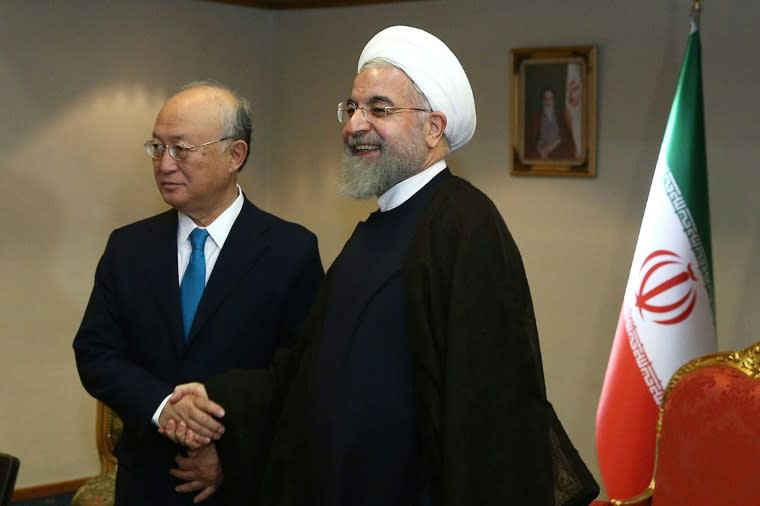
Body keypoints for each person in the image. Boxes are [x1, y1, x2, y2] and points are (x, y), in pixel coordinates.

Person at [163, 27, 599, 505]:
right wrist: (218, 398)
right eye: (352, 108)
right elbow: (309, 369)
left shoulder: (465, 227)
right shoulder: (374, 231)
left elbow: (490, 409)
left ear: (433, 128)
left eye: (379, 109)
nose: (355, 125)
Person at [72, 81, 323, 506]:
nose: (164, 164)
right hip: (147, 480)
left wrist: (227, 452)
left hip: (244, 482)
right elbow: (95, 352)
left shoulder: (290, 250)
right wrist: (163, 406)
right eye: (157, 147)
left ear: (235, 155)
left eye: (181, 149)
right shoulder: (128, 247)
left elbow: (301, 372)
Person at [526, 86, 577, 160]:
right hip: (541, 150)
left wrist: (553, 145)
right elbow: (532, 140)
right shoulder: (536, 118)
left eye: (550, 98)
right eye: (545, 98)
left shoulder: (560, 116)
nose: (548, 101)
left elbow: (565, 137)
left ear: (554, 100)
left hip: (558, 149)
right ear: (542, 100)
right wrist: (540, 149)